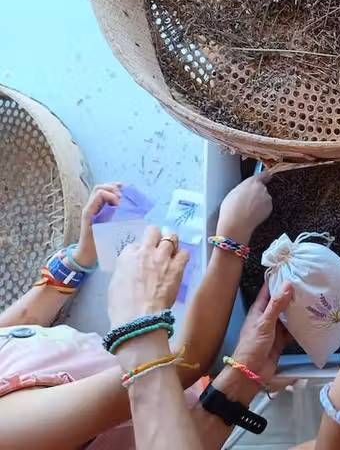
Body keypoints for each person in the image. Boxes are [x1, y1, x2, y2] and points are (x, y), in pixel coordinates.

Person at [0, 173, 278, 449]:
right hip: (195, 398)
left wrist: (80, 258)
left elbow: (18, 328)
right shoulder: (11, 425)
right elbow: (183, 364)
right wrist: (231, 240)